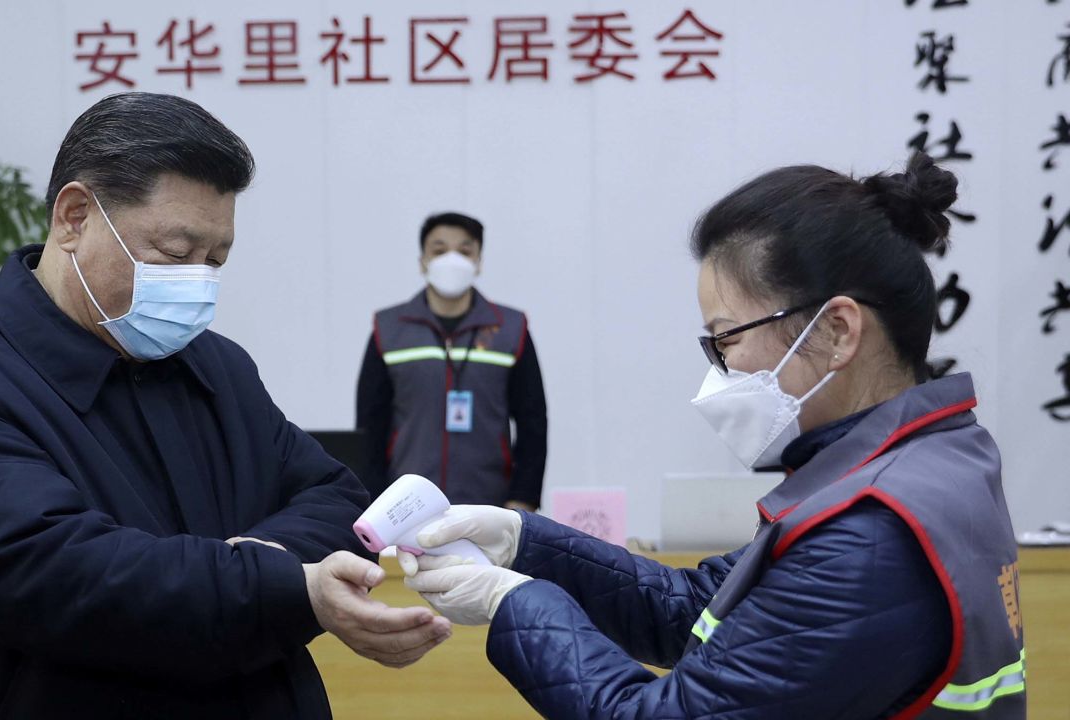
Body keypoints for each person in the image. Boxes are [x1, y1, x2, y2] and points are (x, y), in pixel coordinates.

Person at [0, 92, 450, 720]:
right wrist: (278, 583)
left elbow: (336, 499)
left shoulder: (217, 366)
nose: (198, 280)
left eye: (216, 261)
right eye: (177, 254)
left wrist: (255, 574)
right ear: (74, 217)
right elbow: (67, 578)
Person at [400, 153, 1026, 719]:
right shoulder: (927, 460)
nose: (719, 371)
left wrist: (516, 603)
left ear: (837, 331)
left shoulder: (867, 536)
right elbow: (704, 608)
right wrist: (523, 544)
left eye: (727, 338)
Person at [355, 212, 547, 511]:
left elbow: (533, 422)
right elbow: (369, 428)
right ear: (423, 261)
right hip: (406, 505)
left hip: (490, 506)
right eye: (440, 250)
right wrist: (375, 500)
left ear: (478, 262)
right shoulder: (389, 328)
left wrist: (522, 499)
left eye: (464, 251)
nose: (452, 259)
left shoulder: (511, 329)